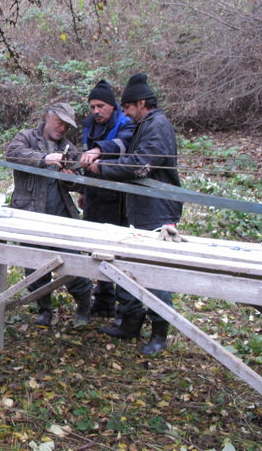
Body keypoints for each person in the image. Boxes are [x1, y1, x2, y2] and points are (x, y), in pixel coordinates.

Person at [84, 73, 183, 356]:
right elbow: (127, 156)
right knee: (130, 266)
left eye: (127, 107)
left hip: (157, 212)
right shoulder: (144, 125)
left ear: (141, 103)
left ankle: (159, 332)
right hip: (138, 209)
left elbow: (140, 166)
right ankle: (130, 322)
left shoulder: (158, 126)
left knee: (155, 273)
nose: (125, 113)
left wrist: (101, 167)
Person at [6, 102, 93, 328]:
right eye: (59, 122)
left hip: (61, 216)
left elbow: (79, 180)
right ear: (48, 116)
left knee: (73, 263)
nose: (62, 129)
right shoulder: (26, 138)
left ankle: (84, 307)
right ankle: (44, 308)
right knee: (34, 265)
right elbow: (13, 154)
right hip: (29, 214)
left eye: (67, 126)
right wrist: (46, 159)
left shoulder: (69, 148)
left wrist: (71, 179)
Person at [76, 80, 135, 319]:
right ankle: (103, 299)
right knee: (95, 250)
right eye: (92, 107)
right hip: (93, 195)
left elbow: (123, 145)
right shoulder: (88, 127)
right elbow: (85, 163)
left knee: (117, 253)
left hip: (117, 199)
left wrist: (99, 150)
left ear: (112, 106)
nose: (96, 111)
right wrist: (82, 190)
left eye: (100, 106)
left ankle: (125, 307)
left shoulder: (125, 123)